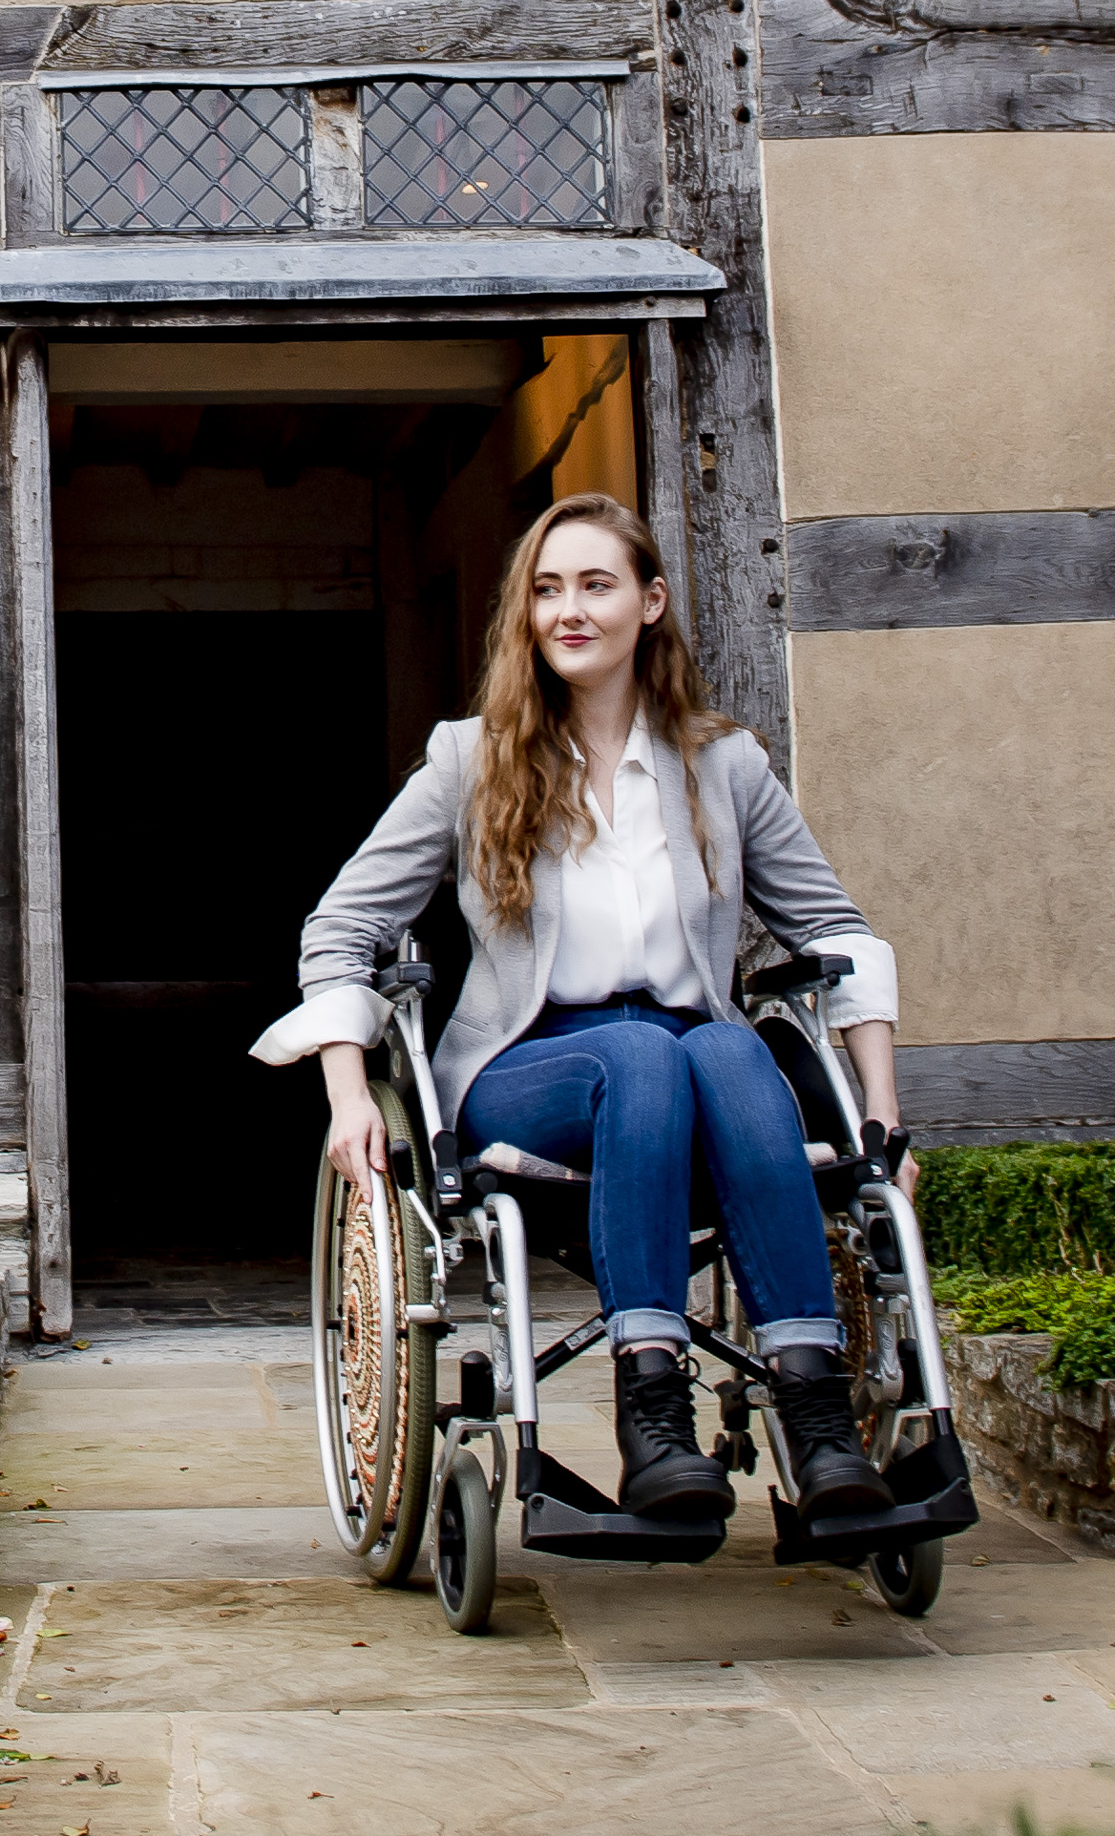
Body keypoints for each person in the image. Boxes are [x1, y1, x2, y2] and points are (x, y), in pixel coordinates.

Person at [253, 491, 909, 1525]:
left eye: (596, 585)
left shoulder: (724, 765)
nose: (568, 610)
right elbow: (342, 928)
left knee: (729, 1053)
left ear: (649, 603)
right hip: (529, 1065)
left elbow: (832, 930)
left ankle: (818, 1415)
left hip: (698, 1062)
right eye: (546, 589)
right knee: (641, 1057)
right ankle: (652, 1412)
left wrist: (878, 1111)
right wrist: (346, 1096)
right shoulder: (470, 760)